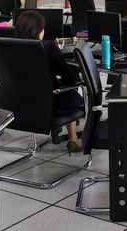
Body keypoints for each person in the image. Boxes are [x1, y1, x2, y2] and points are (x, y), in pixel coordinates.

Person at [15, 11, 84, 153]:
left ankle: (59, 129)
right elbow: (71, 78)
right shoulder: (48, 47)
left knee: (59, 85)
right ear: (39, 31)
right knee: (70, 87)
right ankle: (73, 139)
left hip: (22, 103)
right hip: (50, 104)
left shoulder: (11, 47)